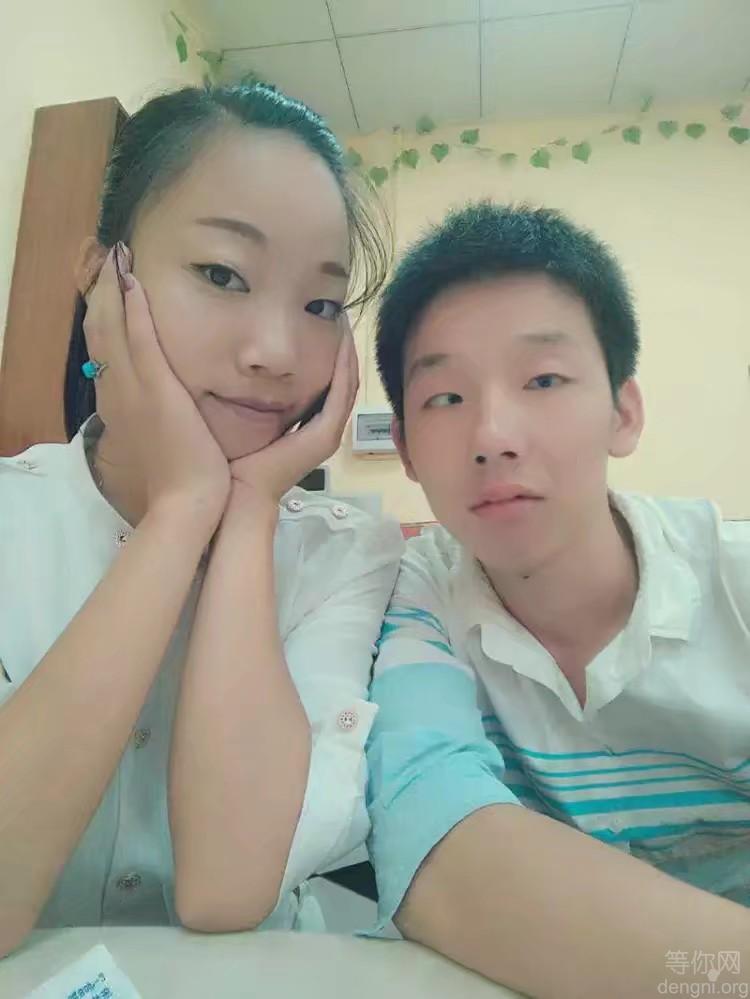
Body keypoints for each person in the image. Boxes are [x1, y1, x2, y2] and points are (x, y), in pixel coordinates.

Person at [0, 82, 403, 956]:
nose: (276, 353)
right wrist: (182, 510)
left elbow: (229, 884)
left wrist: (245, 509)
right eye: (222, 275)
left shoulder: (345, 554)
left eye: (320, 305)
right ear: (99, 274)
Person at [367, 201, 750, 998]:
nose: (492, 435)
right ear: (403, 446)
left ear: (623, 412)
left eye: (543, 379)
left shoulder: (734, 583)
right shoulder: (417, 593)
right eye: (445, 398)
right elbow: (438, 851)